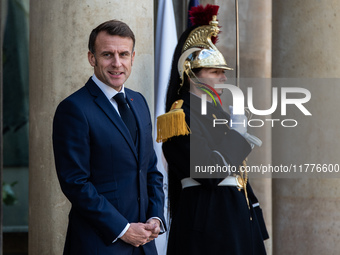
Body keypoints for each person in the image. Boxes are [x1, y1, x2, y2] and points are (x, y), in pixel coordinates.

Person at [156, 4, 268, 255]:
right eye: (215, 71)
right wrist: (237, 136)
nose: (223, 78)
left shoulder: (219, 116)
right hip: (208, 234)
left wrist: (255, 227)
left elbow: (239, 180)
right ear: (191, 74)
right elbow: (210, 172)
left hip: (235, 224)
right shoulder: (178, 118)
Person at [52, 20, 166, 255]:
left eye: (124, 54)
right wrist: (123, 229)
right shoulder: (73, 109)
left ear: (133, 57)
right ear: (91, 58)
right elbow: (75, 183)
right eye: (107, 54)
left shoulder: (139, 102)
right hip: (99, 244)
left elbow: (150, 169)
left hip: (145, 245)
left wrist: (155, 217)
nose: (117, 63)